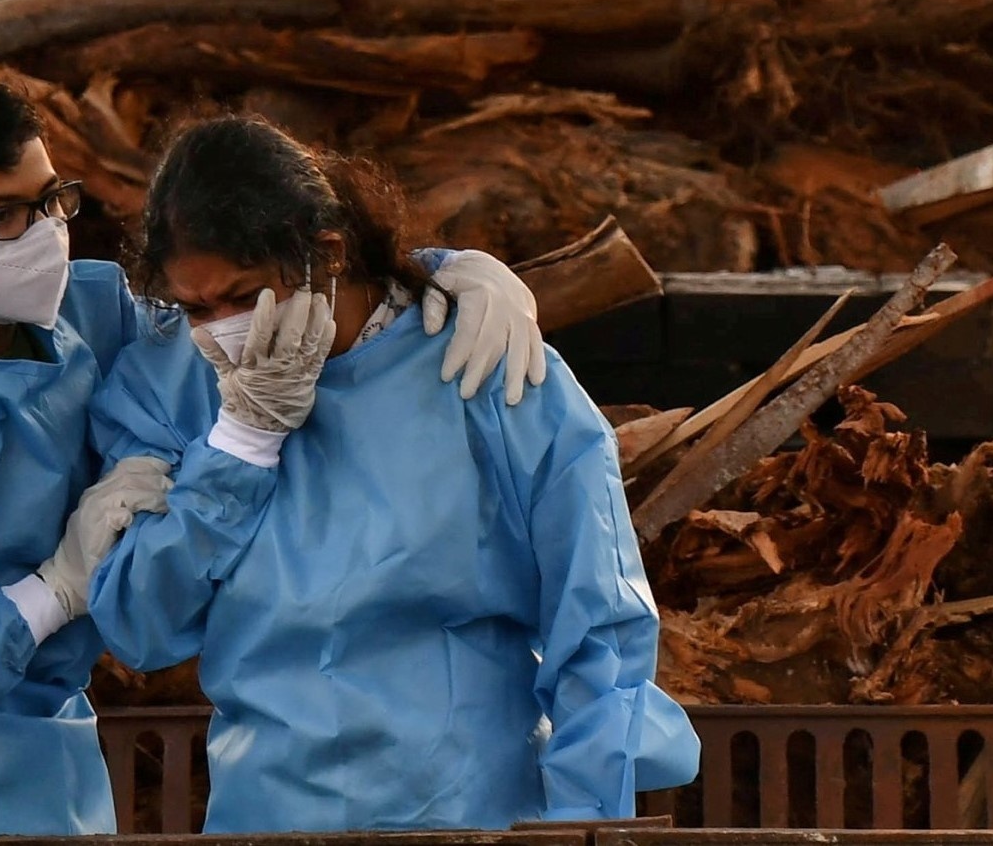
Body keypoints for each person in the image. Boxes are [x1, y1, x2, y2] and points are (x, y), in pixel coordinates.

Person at [0, 72, 548, 839]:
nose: (42, 235)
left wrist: (441, 272)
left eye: (51, 201)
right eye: (4, 216)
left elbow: (252, 293)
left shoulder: (89, 313)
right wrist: (47, 595)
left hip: (57, 781)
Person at [89, 115, 700, 833]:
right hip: (266, 815)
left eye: (244, 295)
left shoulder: (479, 361)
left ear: (329, 254)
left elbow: (598, 622)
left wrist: (585, 818)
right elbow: (139, 624)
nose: (223, 328)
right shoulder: (168, 383)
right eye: (197, 307)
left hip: (471, 812)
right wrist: (238, 446)